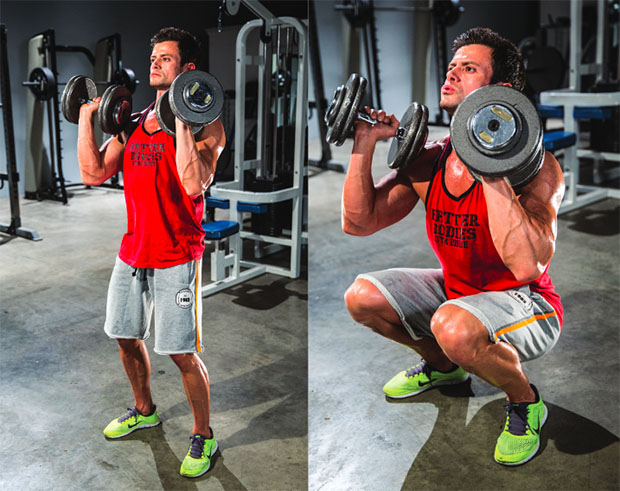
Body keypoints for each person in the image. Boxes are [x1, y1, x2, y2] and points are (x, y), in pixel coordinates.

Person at [342, 27, 565, 466]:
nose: (451, 76)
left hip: (529, 306)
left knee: (453, 324)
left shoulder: (538, 169)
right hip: (460, 296)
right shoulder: (431, 160)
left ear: (499, 92)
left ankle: (524, 401)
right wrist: (364, 142)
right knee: (362, 297)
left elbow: (526, 267)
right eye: (450, 68)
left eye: (467, 69)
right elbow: (359, 222)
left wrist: (491, 161)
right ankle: (444, 367)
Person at [76, 27, 225, 478]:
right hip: (134, 250)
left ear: (188, 70)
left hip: (178, 255)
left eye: (165, 58)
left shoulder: (207, 124)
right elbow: (93, 172)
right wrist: (86, 117)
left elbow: (194, 182)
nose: (154, 63)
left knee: (180, 353)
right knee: (125, 335)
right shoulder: (134, 121)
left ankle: (204, 435)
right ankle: (145, 410)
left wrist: (180, 115)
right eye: (153, 57)